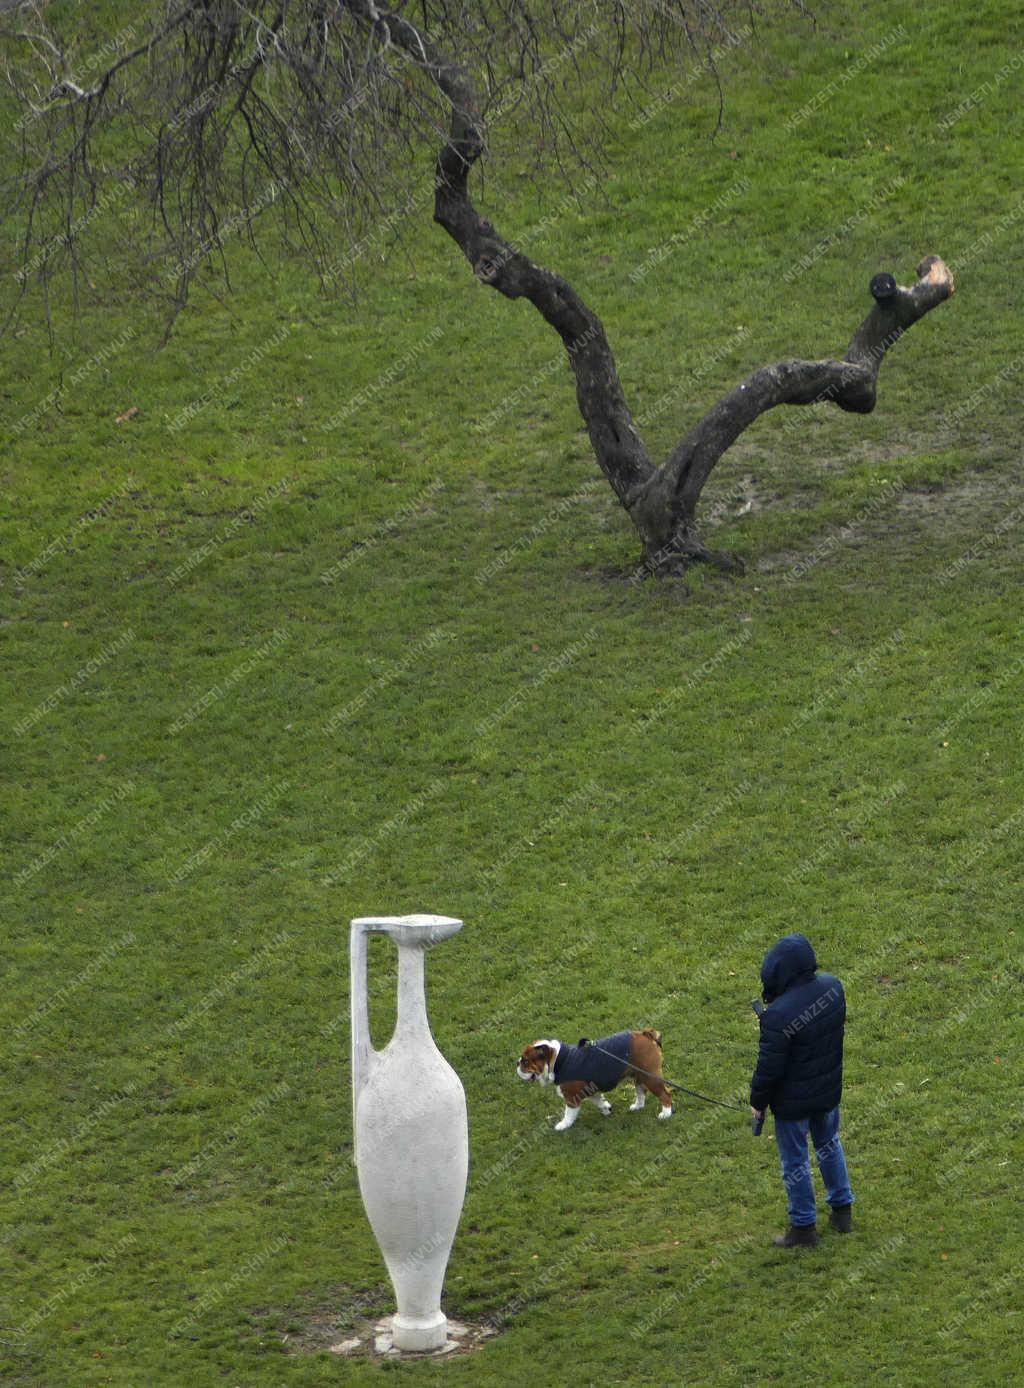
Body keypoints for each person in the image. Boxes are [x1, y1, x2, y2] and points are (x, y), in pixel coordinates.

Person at [749, 932, 854, 1248]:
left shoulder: (779, 1015)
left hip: (793, 1104)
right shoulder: (833, 988)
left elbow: (769, 1068)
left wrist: (758, 1102)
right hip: (827, 1091)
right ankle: (842, 1209)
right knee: (829, 1144)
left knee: (795, 1162)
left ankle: (804, 1227)